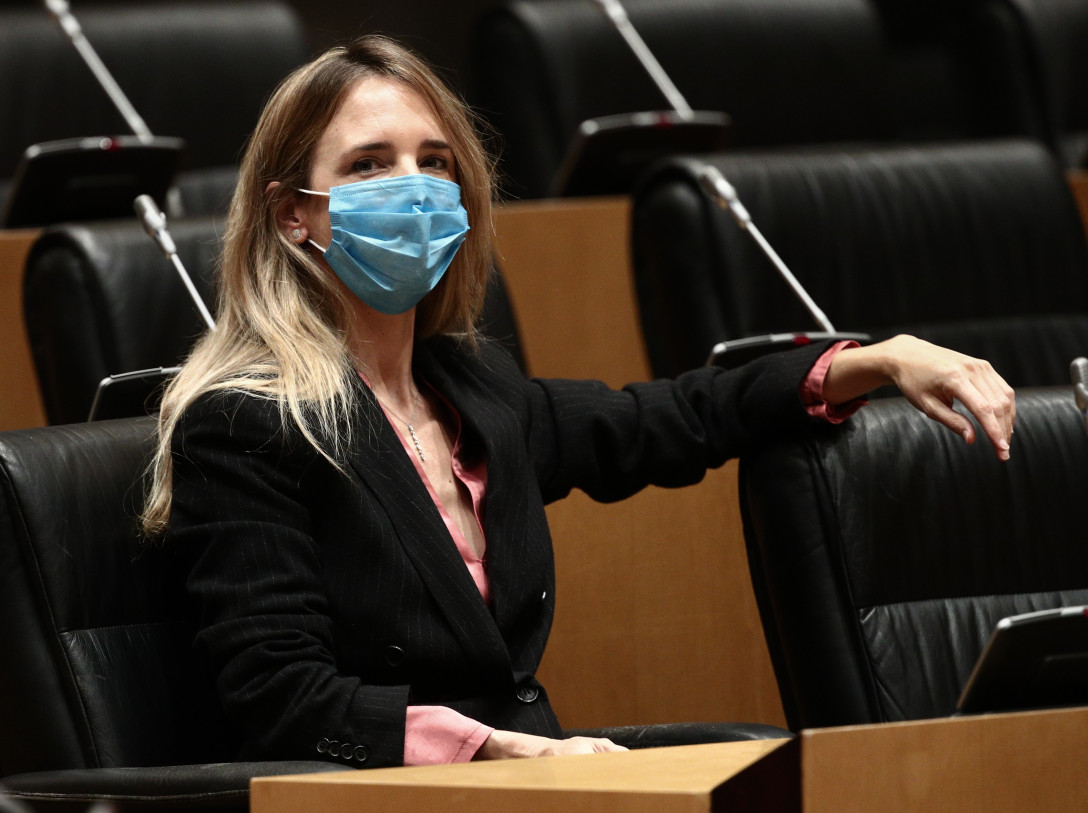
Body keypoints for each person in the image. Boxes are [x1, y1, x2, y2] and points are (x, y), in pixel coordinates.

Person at [142, 36, 1015, 769]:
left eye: (434, 163)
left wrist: (874, 361)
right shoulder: (244, 423)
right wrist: (498, 748)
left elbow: (672, 418)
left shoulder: (474, 390)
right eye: (370, 164)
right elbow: (284, 698)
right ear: (292, 214)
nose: (414, 188)